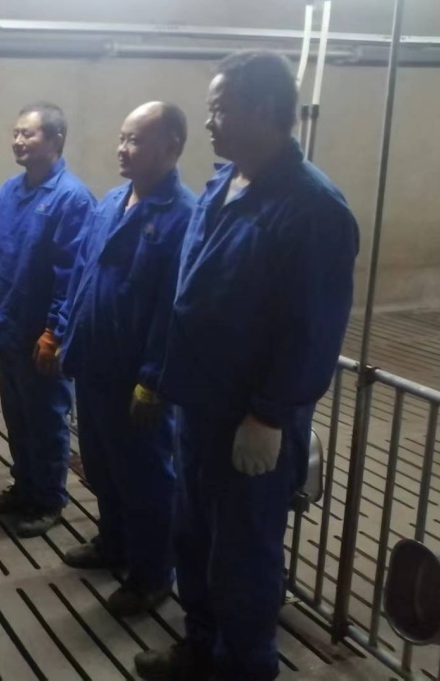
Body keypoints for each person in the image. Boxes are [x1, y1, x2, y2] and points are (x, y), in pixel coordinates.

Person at [134, 52, 359, 681]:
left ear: (261, 111)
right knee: (194, 538)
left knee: (243, 555)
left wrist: (270, 416)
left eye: (219, 108)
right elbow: (191, 293)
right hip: (198, 405)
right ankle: (201, 645)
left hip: (248, 419)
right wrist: (163, 374)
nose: (208, 121)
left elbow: (313, 329)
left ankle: (244, 667)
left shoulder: (313, 207)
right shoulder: (222, 185)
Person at [59, 101, 195, 616]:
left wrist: (153, 379)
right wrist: (67, 334)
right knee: (102, 465)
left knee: (146, 478)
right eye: (122, 138)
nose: (122, 149)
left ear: (171, 147)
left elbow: (173, 307)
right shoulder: (113, 200)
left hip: (134, 375)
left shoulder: (183, 215)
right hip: (94, 363)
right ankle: (113, 542)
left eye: (135, 140)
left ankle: (152, 575)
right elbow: (85, 272)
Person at [0, 102, 94, 537]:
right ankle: (24, 486)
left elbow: (71, 274)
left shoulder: (72, 199)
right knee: (18, 415)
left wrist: (54, 332)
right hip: (8, 325)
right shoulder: (7, 193)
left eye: (29, 133)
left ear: (56, 139)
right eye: (16, 133)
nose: (18, 141)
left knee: (46, 419)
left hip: (41, 333)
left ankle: (48, 500)